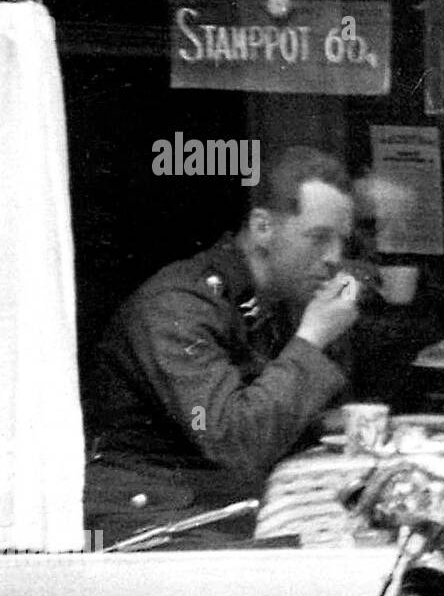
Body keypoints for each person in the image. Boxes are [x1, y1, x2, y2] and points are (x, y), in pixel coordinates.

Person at [84, 145, 360, 546]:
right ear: (263, 228)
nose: (335, 258)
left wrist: (329, 421)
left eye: (341, 241)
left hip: (209, 512)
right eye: (318, 238)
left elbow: (258, 410)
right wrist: (313, 339)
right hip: (149, 527)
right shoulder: (177, 307)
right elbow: (233, 439)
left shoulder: (267, 301)